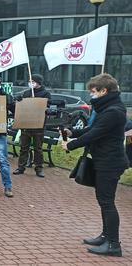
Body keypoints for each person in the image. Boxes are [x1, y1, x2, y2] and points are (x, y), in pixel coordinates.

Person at [62, 74, 128, 257]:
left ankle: (113, 244)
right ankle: (105, 236)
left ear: (103, 91)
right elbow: (92, 129)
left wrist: (70, 144)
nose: (91, 95)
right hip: (104, 161)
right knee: (103, 201)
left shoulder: (114, 111)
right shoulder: (108, 109)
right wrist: (73, 132)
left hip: (110, 163)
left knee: (107, 203)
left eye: (93, 91)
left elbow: (95, 134)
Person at [13, 74, 51, 178]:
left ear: (38, 82)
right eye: (30, 81)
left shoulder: (46, 93)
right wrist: (19, 100)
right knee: (23, 147)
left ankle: (39, 168)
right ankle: (21, 167)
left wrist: (37, 102)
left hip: (39, 126)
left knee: (38, 148)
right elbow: (21, 106)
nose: (30, 83)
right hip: (26, 125)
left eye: (33, 81)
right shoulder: (26, 93)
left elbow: (47, 107)